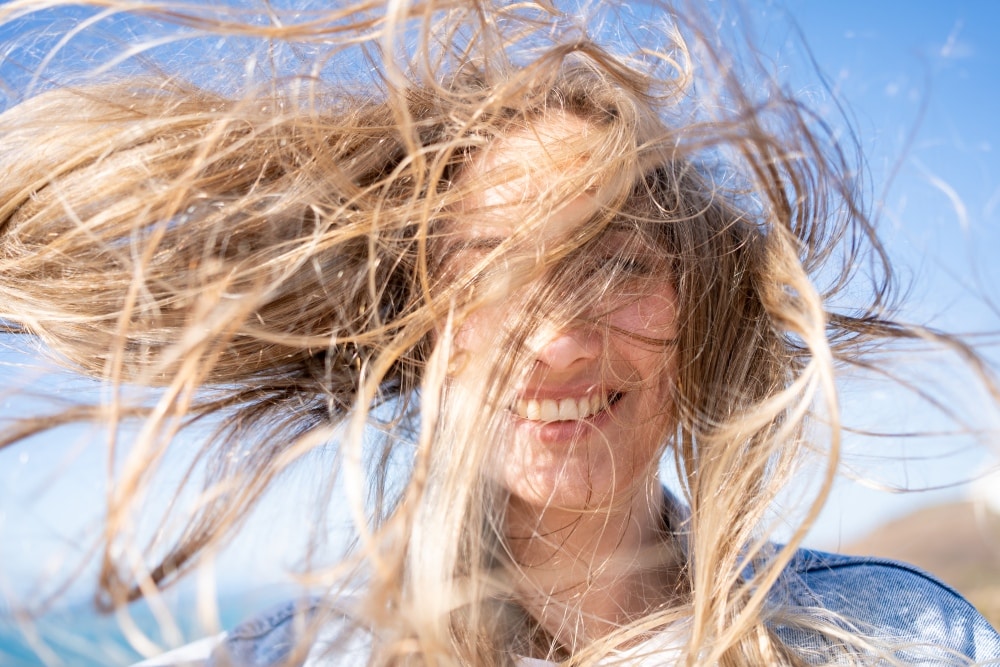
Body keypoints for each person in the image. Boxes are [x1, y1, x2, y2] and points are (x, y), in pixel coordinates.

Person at [0, 1, 997, 665]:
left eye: (617, 261)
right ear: (424, 320)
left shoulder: (894, 637)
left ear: (696, 303)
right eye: (490, 266)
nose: (558, 339)